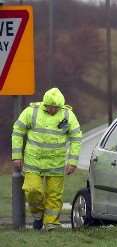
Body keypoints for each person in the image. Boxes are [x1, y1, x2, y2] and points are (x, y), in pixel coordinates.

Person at [11, 88, 82, 230]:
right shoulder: (31, 112)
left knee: (54, 196)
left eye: (56, 108)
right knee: (32, 191)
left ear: (60, 106)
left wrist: (72, 162)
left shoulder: (68, 115)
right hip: (33, 162)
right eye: (50, 107)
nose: (52, 110)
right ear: (45, 104)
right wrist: (17, 156)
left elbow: (76, 137)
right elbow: (17, 132)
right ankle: (38, 215)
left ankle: (51, 224)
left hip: (56, 163)